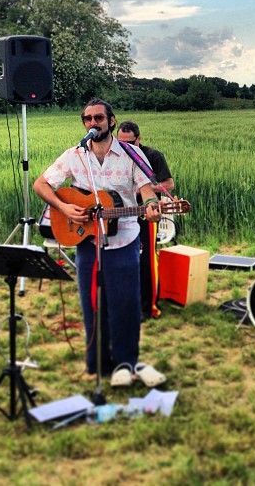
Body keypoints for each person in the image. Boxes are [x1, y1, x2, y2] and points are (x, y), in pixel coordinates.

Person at [33, 98, 166, 388]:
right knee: (91, 302)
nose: (93, 123)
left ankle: (125, 362)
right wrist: (65, 208)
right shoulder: (74, 155)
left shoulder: (131, 154)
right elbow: (41, 184)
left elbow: (146, 189)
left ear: (111, 121)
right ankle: (98, 362)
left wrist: (153, 204)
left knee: (125, 303)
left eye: (98, 118)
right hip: (87, 242)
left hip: (124, 239)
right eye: (87, 119)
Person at [117, 120, 174, 320]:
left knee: (146, 259)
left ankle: (147, 307)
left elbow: (169, 184)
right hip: (120, 214)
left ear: (139, 139)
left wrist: (145, 187)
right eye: (121, 143)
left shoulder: (153, 156)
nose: (125, 147)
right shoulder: (115, 156)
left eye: (130, 143)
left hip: (145, 212)